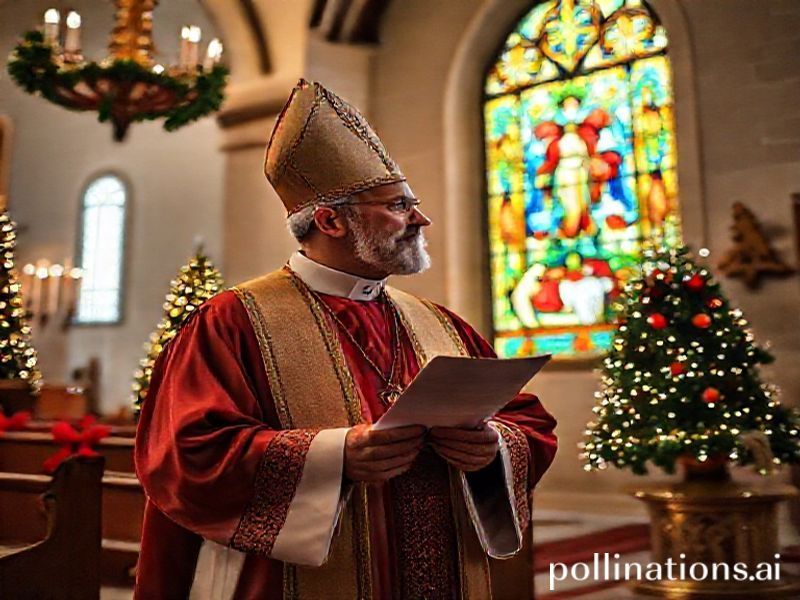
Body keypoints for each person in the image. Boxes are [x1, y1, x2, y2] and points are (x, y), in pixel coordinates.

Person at [134, 79, 558, 599]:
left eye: (413, 203)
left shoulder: (440, 322)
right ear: (330, 220)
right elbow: (185, 455)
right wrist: (335, 456)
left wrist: (490, 446)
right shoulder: (234, 320)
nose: (420, 219)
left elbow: (527, 421)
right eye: (399, 205)